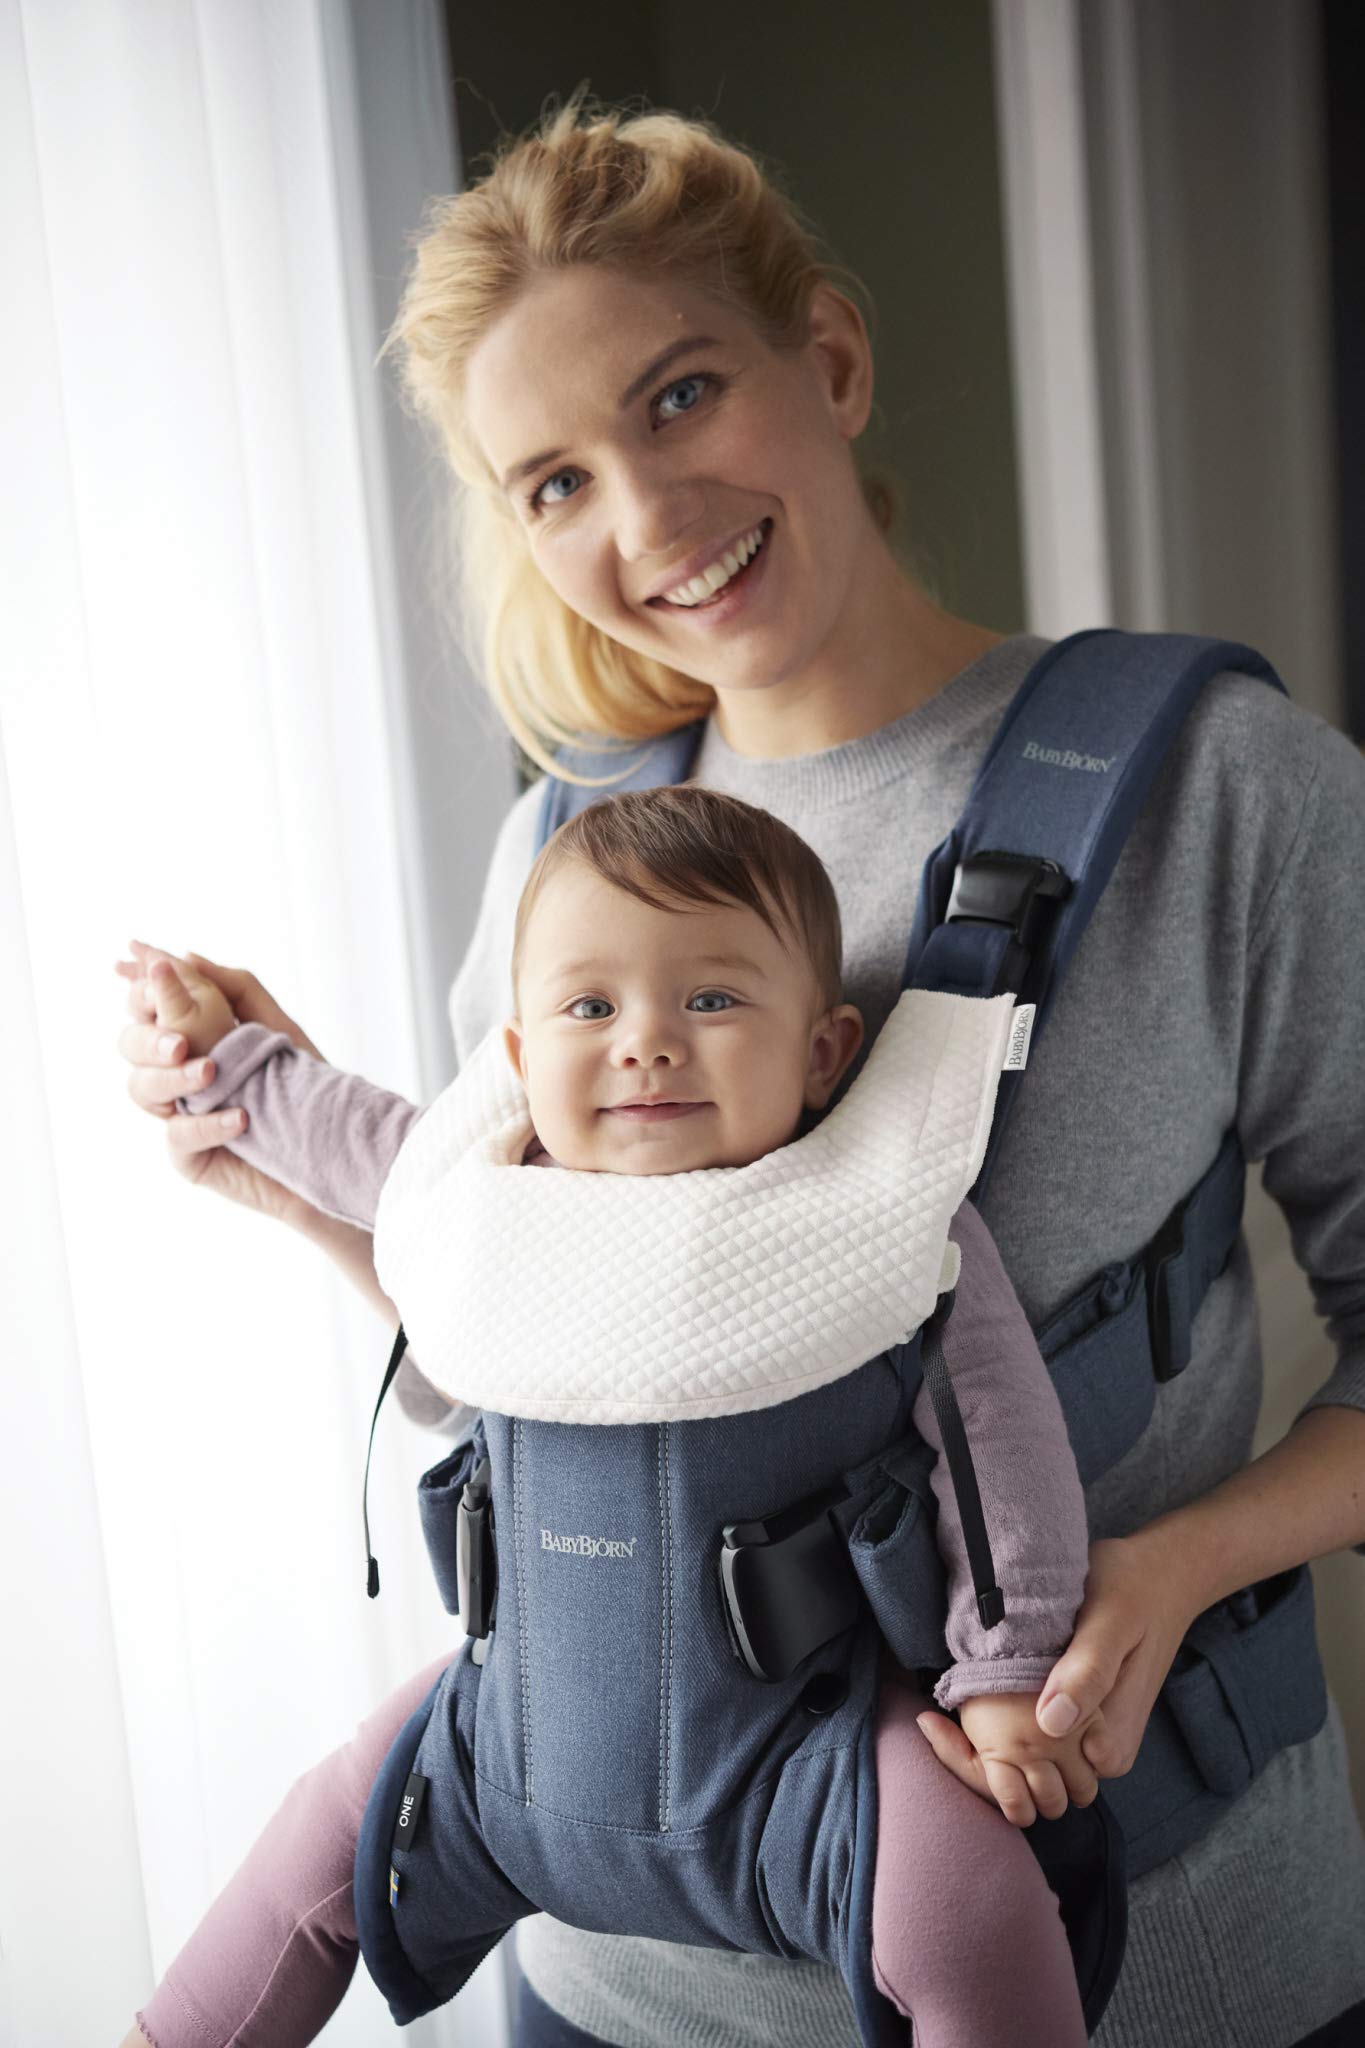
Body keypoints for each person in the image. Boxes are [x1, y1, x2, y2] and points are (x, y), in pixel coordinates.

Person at [115, 90, 1365, 2048]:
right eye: (554, 481)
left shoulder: (1227, 794)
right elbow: (525, 1359)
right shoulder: (560, 852)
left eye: (682, 395)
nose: (644, 517)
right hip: (612, 1984)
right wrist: (300, 1169)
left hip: (1156, 1961)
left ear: (833, 359)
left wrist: (1160, 1572)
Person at [119, 784, 1105, 2048]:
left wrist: (1009, 1667)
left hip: (803, 1751)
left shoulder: (877, 1212)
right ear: (521, 1058)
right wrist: (227, 1063)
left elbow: (1001, 1447)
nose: (647, 1042)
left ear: (824, 1052)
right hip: (508, 1723)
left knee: (974, 1911)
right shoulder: (491, 1198)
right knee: (313, 1840)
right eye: (590, 1007)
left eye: (712, 998)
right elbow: (348, 1135)